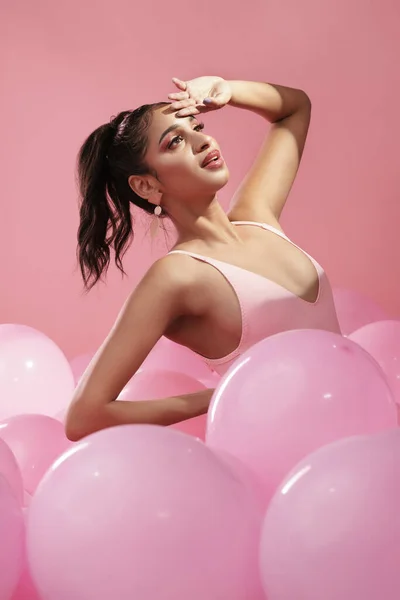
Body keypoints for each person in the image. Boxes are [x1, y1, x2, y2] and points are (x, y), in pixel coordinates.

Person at [65, 75, 341, 442]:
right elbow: (85, 416)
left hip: (365, 420)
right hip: (292, 453)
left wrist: (227, 90)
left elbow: (294, 109)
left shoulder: (257, 215)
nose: (202, 140)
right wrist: (222, 395)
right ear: (146, 185)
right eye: (176, 141)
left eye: (197, 126)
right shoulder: (176, 276)